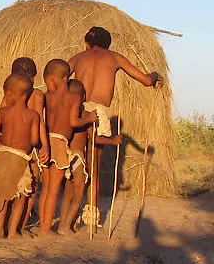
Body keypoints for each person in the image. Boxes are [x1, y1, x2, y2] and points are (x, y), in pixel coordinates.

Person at [68, 26, 163, 226]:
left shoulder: (79, 57)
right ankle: (91, 216)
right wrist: (155, 75)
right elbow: (146, 80)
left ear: (87, 43)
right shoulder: (114, 57)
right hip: (99, 113)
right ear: (108, 44)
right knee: (94, 166)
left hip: (77, 111)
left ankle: (69, 215)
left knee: (74, 162)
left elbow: (58, 77)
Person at [38, 61, 97, 237]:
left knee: (46, 189)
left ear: (56, 78)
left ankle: (42, 225)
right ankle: (46, 230)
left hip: (46, 142)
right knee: (53, 191)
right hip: (59, 143)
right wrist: (90, 119)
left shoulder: (46, 97)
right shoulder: (73, 98)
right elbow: (73, 122)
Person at [57, 80, 123, 235]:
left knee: (68, 192)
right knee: (79, 193)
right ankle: (64, 226)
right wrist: (113, 140)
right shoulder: (86, 116)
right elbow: (94, 139)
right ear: (83, 97)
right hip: (77, 157)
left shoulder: (62, 114)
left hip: (63, 155)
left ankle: (64, 222)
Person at [0, 73, 39, 238]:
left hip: (3, 156)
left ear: (9, 94)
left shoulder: (3, 112)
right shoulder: (33, 115)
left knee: (3, 195)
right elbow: (35, 140)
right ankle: (13, 231)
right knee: (21, 196)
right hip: (21, 158)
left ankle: (0, 230)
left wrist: (3, 139)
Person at [0, 57, 49, 232]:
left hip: (7, 149)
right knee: (30, 188)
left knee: (6, 189)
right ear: (34, 77)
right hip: (28, 150)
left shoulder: (9, 94)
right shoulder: (36, 95)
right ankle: (18, 227)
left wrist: (0, 140)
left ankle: (4, 228)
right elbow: (40, 121)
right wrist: (44, 146)